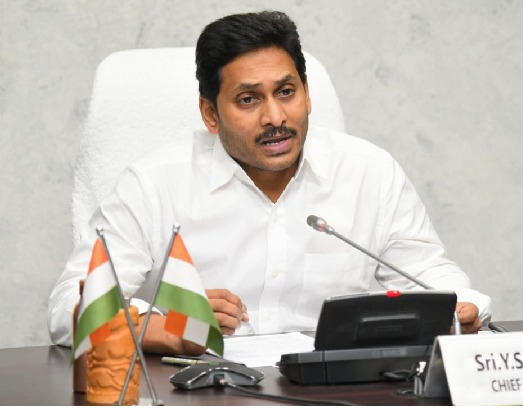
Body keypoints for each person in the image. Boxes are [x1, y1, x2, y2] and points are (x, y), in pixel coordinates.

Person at [48, 10, 491, 356]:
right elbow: (68, 308)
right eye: (248, 99)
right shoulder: (153, 184)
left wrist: (464, 309)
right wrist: (169, 329)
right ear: (210, 114)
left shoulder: (370, 172)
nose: (275, 117)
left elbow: (433, 279)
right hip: (205, 389)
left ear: (307, 95)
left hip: (337, 387)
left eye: (286, 92)